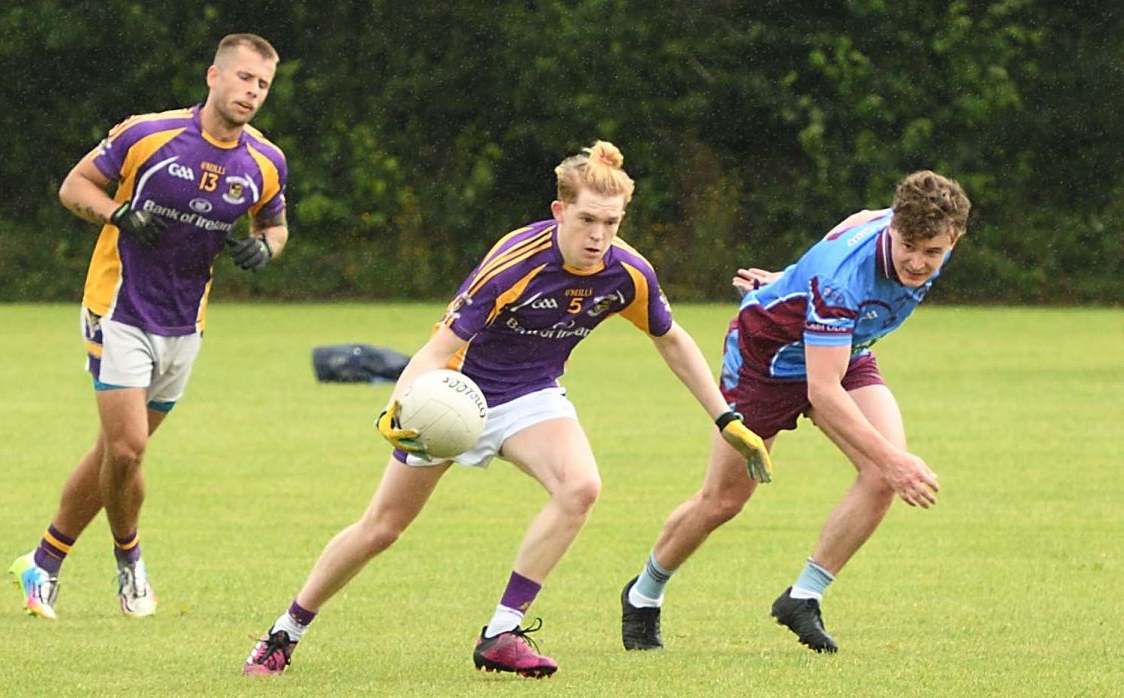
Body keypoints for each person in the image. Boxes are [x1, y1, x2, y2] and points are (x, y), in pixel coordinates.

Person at [242, 141, 772, 678]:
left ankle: (502, 631)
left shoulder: (627, 274)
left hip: (530, 396)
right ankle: (285, 631)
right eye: (587, 219)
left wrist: (726, 419)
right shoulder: (515, 262)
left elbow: (672, 339)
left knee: (580, 487)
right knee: (381, 528)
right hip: (454, 398)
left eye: (611, 223)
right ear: (559, 212)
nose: (599, 235)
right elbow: (436, 349)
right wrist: (399, 408)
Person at [619, 170, 971, 653]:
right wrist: (895, 462)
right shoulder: (843, 282)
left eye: (933, 252)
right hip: (765, 361)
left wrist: (787, 280)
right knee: (724, 501)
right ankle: (643, 594)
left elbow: (837, 239)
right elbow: (822, 391)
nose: (917, 262)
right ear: (893, 229)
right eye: (909, 246)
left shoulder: (907, 229)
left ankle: (802, 597)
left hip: (842, 348)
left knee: (882, 474)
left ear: (954, 239)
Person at [9, 33, 290, 620]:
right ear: (213, 77)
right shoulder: (148, 134)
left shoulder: (265, 161)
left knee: (119, 456)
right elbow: (74, 186)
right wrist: (119, 214)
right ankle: (129, 560)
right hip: (118, 308)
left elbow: (274, 225)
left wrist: (266, 249)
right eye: (243, 78)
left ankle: (43, 560)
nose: (251, 92)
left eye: (262, 85)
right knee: (128, 447)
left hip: (185, 324)